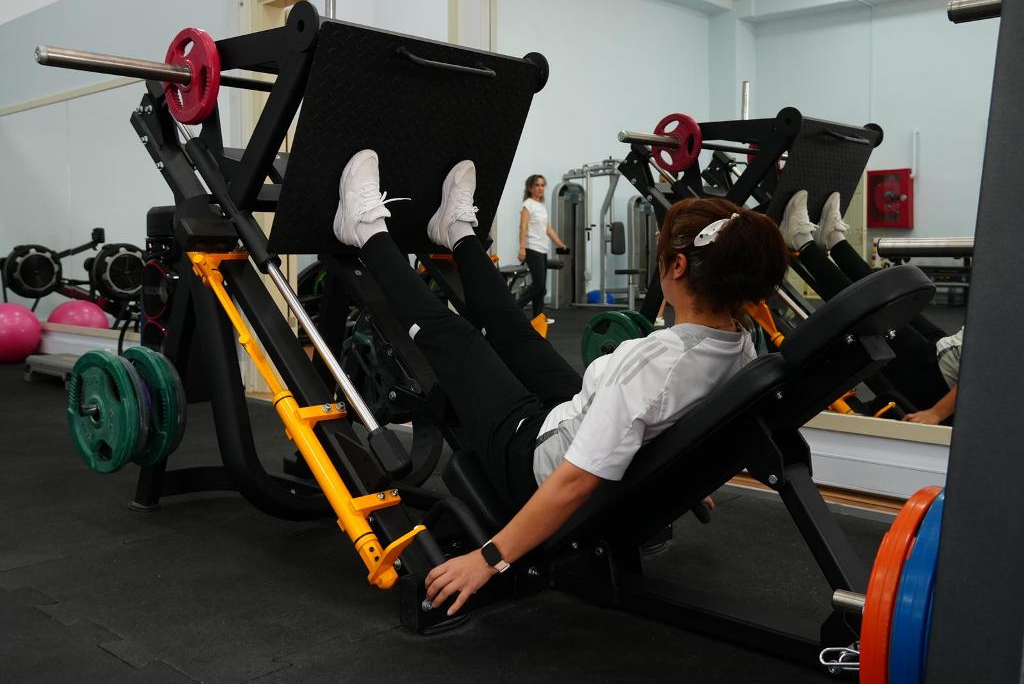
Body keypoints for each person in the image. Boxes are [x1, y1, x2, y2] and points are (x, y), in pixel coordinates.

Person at [332, 150, 788, 616]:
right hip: (576, 414)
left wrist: (488, 559)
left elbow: (574, 482)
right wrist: (673, 470)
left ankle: (364, 229)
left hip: (531, 461)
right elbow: (694, 422)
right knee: (512, 329)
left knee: (455, 338)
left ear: (677, 268)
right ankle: (457, 231)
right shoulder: (741, 348)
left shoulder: (654, 365)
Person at [779, 190, 963, 424]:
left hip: (937, 381)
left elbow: (986, 371)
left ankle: (800, 242)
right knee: (889, 292)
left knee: (863, 308)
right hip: (949, 349)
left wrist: (936, 413)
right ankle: (835, 241)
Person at [518, 175, 567, 321]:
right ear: (530, 188)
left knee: (541, 288)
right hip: (532, 249)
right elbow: (523, 226)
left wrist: (560, 244)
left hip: (542, 249)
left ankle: (538, 319)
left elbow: (548, 229)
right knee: (538, 285)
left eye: (542, 185)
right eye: (537, 185)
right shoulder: (528, 205)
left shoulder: (541, 206)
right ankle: (513, 309)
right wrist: (522, 248)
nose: (540, 188)